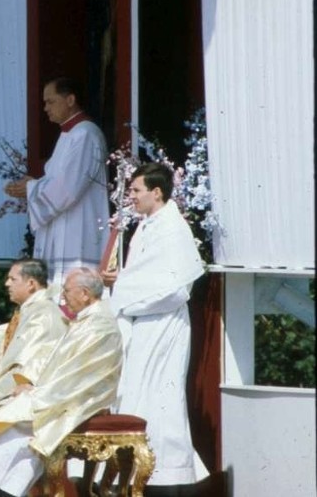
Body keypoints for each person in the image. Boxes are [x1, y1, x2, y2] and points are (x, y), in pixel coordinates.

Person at [0, 267, 122, 497]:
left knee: (17, 419)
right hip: (59, 393)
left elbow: (77, 377)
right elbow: (59, 368)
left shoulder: (98, 326)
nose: (62, 297)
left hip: (77, 400)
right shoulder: (85, 320)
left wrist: (35, 393)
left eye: (67, 291)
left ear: (85, 294)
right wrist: (30, 388)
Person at [101, 162, 208, 486]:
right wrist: (120, 281)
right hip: (142, 322)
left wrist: (123, 286)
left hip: (163, 324)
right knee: (137, 395)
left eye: (135, 190)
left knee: (162, 398)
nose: (130, 196)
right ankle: (138, 472)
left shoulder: (173, 228)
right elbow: (140, 275)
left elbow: (176, 287)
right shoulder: (147, 225)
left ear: (156, 192)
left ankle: (168, 475)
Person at [4, 77, 109, 286]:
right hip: (65, 223)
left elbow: (68, 187)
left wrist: (31, 189)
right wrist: (34, 184)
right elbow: (58, 180)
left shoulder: (85, 134)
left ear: (70, 100)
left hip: (78, 226)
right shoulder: (68, 134)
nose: (45, 108)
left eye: (50, 101)